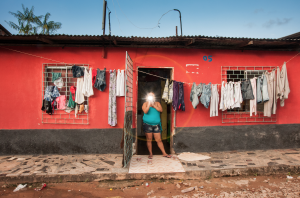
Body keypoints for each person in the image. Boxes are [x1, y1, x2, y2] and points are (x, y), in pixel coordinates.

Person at [142, 92, 171, 159]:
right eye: (150, 96)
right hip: (147, 124)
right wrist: (149, 104)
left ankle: (164, 153)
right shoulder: (145, 104)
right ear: (147, 97)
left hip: (156, 125)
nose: (151, 97)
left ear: (154, 97)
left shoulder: (157, 103)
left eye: (153, 96)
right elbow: (145, 111)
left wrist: (154, 105)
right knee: (149, 140)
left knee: (159, 140)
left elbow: (161, 110)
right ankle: (150, 154)